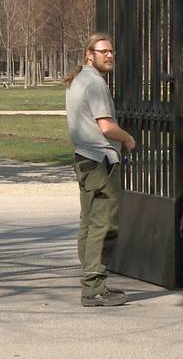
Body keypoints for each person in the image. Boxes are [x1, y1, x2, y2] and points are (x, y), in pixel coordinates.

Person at [64, 33, 135, 307]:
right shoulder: (95, 84)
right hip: (99, 162)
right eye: (103, 50)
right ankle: (93, 285)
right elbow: (106, 127)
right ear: (88, 54)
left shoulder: (77, 80)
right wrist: (127, 138)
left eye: (111, 50)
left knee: (89, 220)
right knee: (105, 225)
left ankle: (93, 280)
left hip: (83, 158)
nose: (109, 55)